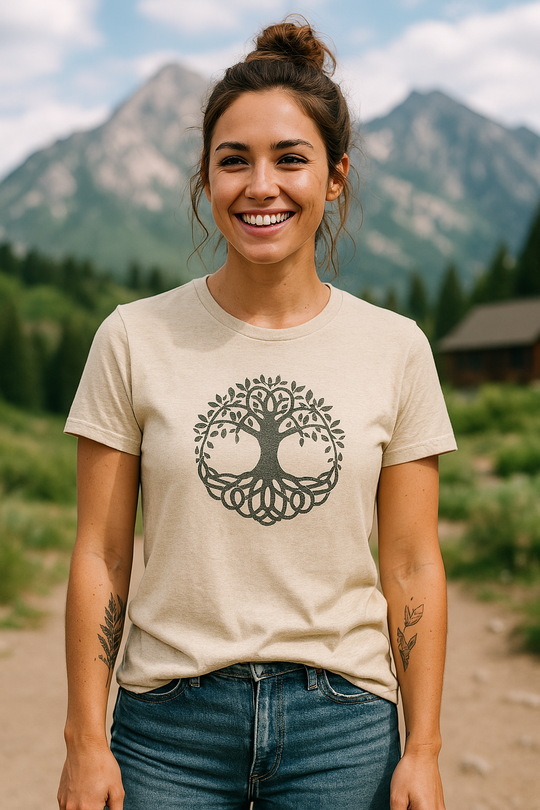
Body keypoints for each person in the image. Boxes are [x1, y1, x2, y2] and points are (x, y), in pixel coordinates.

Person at [57, 18, 456, 810]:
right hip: (167, 726)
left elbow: (412, 565)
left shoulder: (397, 347)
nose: (260, 185)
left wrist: (425, 749)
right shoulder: (134, 337)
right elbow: (101, 555)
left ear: (335, 178)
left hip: (343, 728)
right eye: (232, 160)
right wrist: (84, 743)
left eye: (291, 159)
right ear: (206, 179)